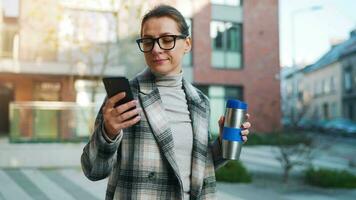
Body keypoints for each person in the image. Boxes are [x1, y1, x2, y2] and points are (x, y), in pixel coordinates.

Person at [81, 4, 251, 200]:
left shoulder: (200, 102)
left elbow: (195, 167)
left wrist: (222, 145)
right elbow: (93, 170)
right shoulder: (124, 97)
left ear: (187, 44)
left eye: (167, 40)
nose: (156, 49)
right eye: (148, 41)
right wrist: (108, 133)